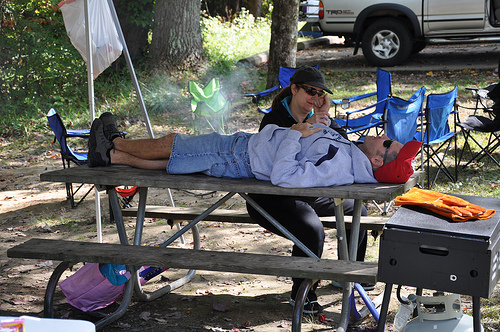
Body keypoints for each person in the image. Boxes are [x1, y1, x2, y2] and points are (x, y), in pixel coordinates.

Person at [89, 111, 421, 312]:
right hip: (247, 150)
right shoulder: (351, 154)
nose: (385, 137)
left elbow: (285, 176)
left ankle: (115, 144)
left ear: (377, 160)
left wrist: (293, 133)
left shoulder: (340, 164)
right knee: (178, 160)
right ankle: (113, 156)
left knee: (178, 145)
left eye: (388, 144)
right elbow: (313, 149)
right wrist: (319, 123)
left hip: (243, 157)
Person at [246, 66, 367, 314]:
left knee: (358, 211)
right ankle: (302, 293)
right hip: (271, 197)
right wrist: (306, 125)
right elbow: (277, 166)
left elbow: (343, 145)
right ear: (294, 89)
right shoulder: (274, 119)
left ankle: (350, 275)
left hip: (308, 193)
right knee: (311, 229)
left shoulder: (317, 115)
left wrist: (326, 118)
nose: (314, 97)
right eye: (310, 91)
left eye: (319, 93)